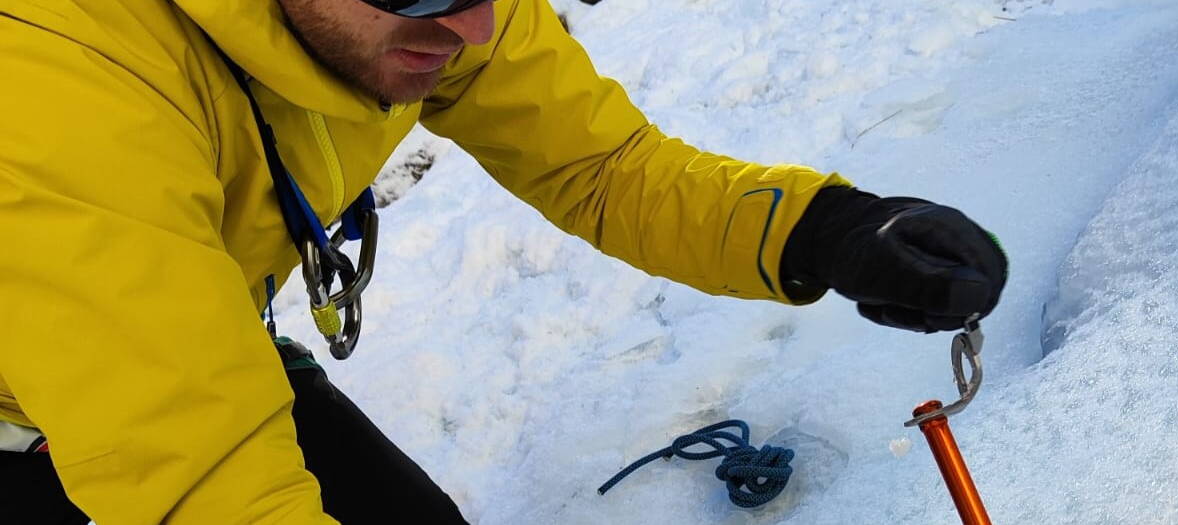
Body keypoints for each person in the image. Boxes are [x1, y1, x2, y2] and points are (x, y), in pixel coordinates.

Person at [0, 0, 1007, 522]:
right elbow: (208, 485)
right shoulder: (54, 87)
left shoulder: (418, 10)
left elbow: (605, 165)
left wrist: (822, 230)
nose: (474, 28)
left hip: (189, 333)